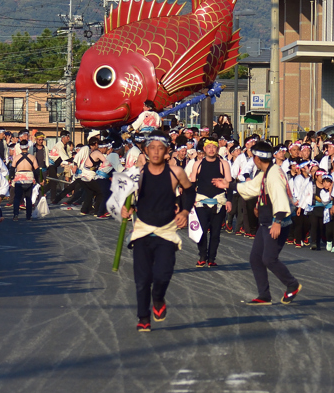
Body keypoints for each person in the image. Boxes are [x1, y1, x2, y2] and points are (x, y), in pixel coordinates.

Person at [121, 132, 192, 332]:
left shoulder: (176, 172)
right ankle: (143, 317)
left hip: (166, 231)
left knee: (162, 275)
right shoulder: (137, 173)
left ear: (167, 151)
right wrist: (125, 208)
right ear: (146, 150)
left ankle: (158, 299)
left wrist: (185, 211)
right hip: (142, 230)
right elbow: (123, 196)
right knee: (142, 279)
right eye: (152, 148)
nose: (156, 152)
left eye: (160, 148)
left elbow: (189, 190)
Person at [223, 140, 303, 306]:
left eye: (253, 158)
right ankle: (264, 295)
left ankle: (292, 284)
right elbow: (252, 187)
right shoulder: (267, 172)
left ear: (258, 159)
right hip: (266, 221)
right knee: (256, 258)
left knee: (269, 259)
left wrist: (278, 221)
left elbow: (280, 197)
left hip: (275, 222)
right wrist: (228, 185)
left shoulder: (273, 175)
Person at [187, 138, 231, 267]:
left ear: (217, 149)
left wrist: (229, 201)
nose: (211, 149)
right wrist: (190, 201)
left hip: (219, 201)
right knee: (201, 231)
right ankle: (202, 256)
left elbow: (229, 183)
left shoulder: (224, 164)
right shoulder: (198, 164)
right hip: (201, 201)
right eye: (208, 147)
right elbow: (192, 183)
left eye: (214, 147)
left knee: (216, 232)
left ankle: (211, 258)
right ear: (204, 149)